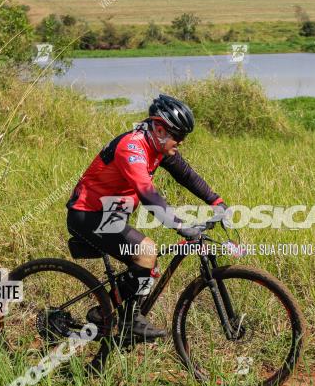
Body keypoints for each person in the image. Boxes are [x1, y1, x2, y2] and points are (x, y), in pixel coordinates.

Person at [66, 94, 226, 340]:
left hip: (110, 214)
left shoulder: (158, 147)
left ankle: (107, 312)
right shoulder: (131, 147)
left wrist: (216, 201)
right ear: (159, 129)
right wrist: (179, 225)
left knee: (147, 262)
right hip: (87, 215)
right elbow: (147, 193)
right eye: (179, 136)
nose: (181, 142)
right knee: (147, 252)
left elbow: (186, 175)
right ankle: (126, 320)